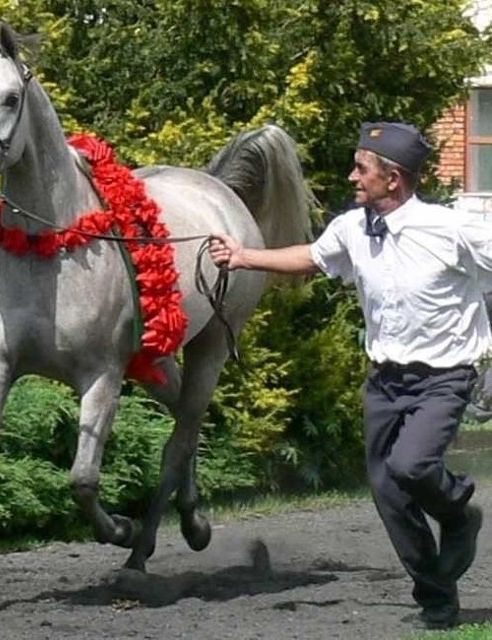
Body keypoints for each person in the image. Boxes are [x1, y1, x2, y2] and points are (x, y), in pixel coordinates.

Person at [209, 121, 490, 630]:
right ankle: (437, 597)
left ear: (394, 178)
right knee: (387, 489)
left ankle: (456, 513)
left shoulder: (451, 229)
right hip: (385, 379)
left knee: (411, 466)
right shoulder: (352, 227)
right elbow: (311, 258)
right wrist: (243, 256)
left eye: (362, 168)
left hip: (444, 376)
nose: (352, 176)